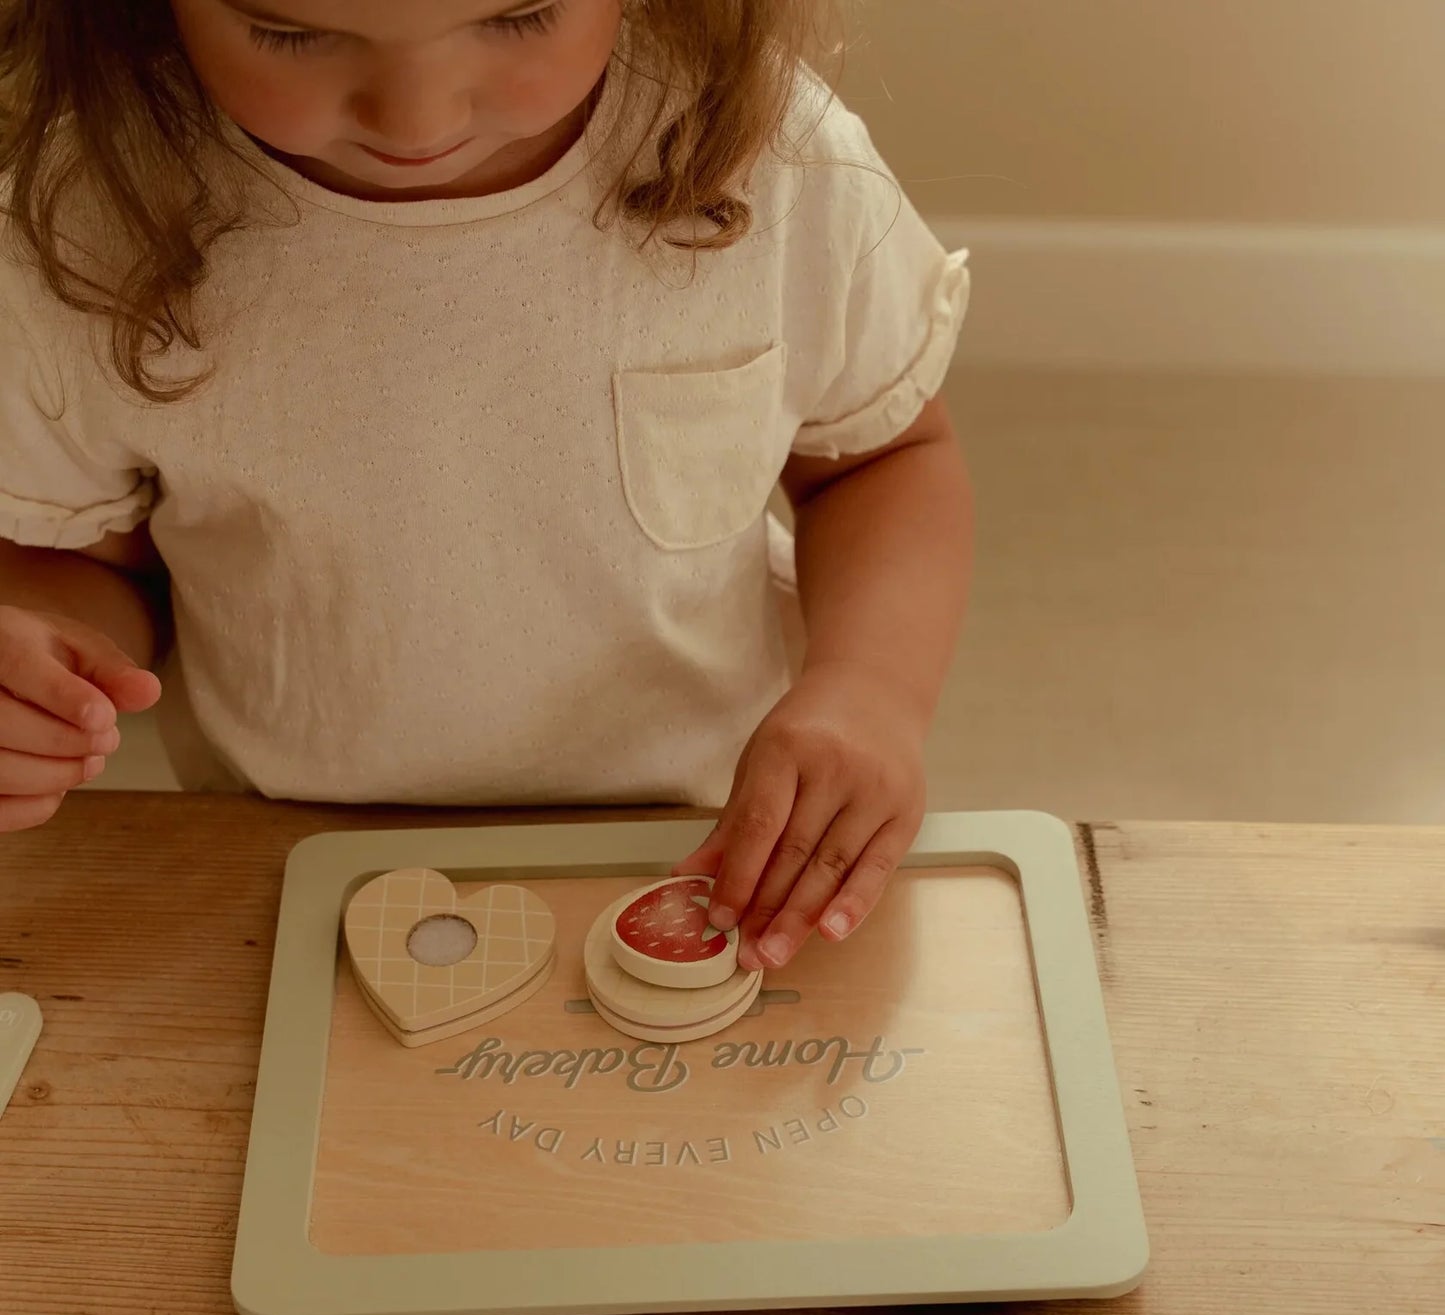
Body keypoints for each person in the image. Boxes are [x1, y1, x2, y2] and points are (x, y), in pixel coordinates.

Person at [0, 0, 973, 972]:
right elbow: (99, 563)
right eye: (291, 36)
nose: (415, 119)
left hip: (704, 842)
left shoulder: (771, 154)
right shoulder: (76, 222)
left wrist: (870, 692)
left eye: (521, 16)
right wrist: (50, 670)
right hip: (284, 850)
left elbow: (878, 461)